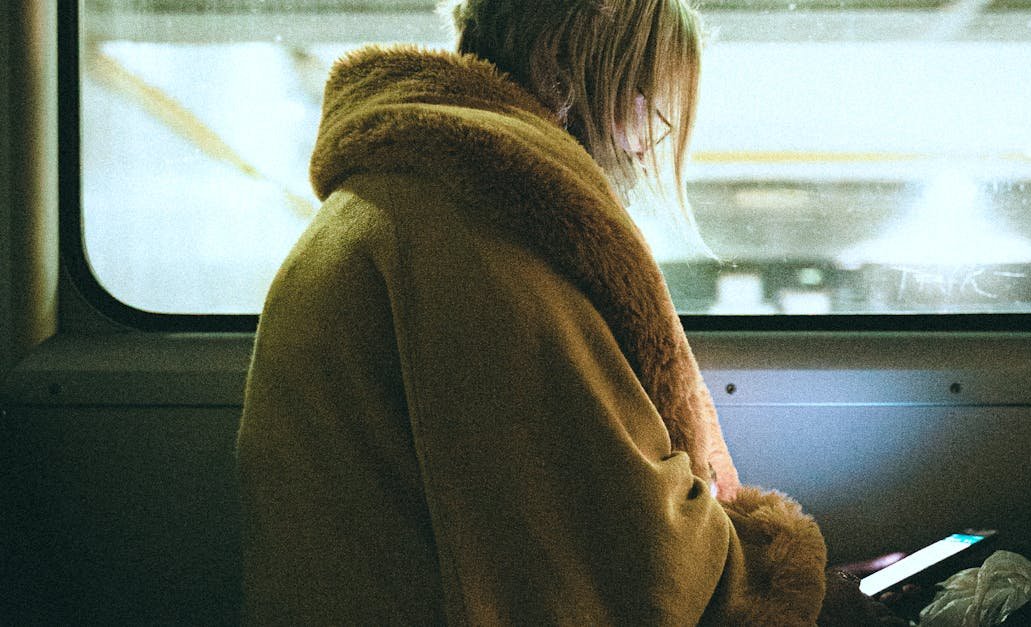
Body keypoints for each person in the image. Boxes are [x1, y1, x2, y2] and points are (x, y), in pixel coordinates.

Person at [238, 0, 895, 623]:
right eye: (644, 104)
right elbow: (628, 562)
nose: (644, 143)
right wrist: (786, 574)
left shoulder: (390, 207)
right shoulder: (487, 245)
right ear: (561, 70)